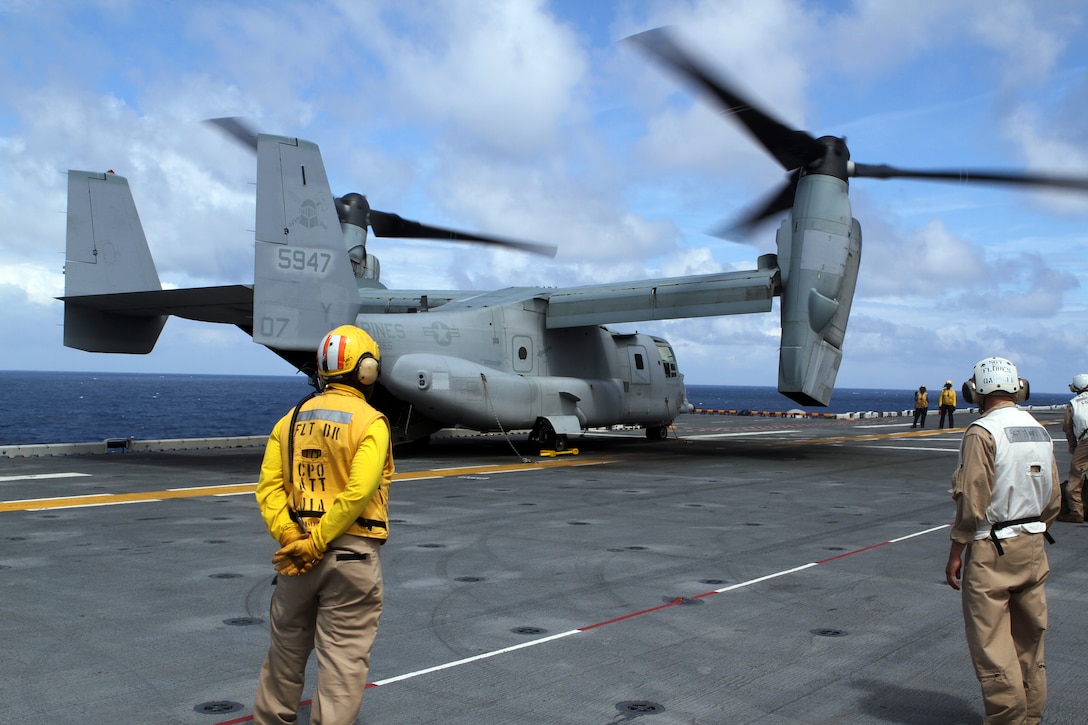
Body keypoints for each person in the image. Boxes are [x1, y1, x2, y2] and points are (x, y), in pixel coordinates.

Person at [252, 325, 395, 725]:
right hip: (350, 558)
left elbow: (269, 489)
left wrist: (291, 537)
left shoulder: (290, 421)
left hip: (296, 561)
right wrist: (318, 541)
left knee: (283, 658)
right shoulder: (371, 422)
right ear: (366, 371)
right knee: (342, 664)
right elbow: (358, 491)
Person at [945, 356, 1060, 724]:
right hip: (1034, 544)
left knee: (994, 650)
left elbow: (971, 498)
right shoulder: (1039, 429)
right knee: (1030, 646)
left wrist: (956, 550)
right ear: (1018, 387)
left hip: (991, 549)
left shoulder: (982, 431)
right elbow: (1054, 498)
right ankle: (1031, 719)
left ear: (974, 390)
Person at [1059, 373, 1088, 523]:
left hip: (1085, 443)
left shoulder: (1074, 403)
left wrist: (1073, 448)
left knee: (1076, 478)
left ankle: (1076, 512)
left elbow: (1068, 428)